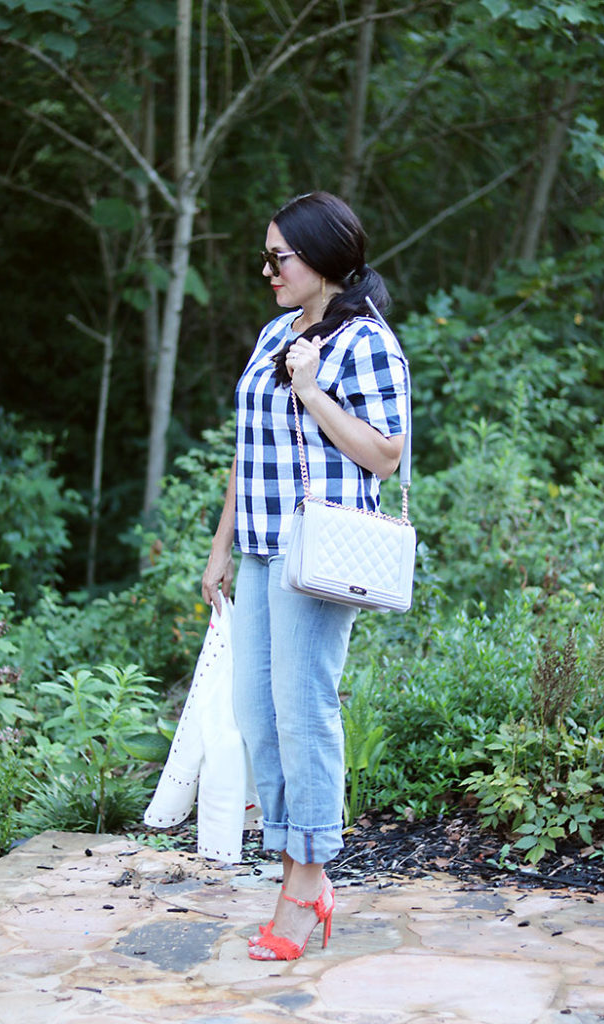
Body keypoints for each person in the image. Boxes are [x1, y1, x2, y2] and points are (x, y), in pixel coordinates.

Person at [201, 191, 408, 961]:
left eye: (277, 257)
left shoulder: (366, 344)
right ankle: (296, 861)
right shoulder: (269, 334)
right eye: (266, 256)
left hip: (318, 555)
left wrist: (313, 389)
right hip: (257, 547)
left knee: (303, 710)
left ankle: (306, 877)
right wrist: (220, 545)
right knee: (257, 713)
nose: (265, 270)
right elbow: (246, 446)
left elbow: (384, 454)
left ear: (321, 258)